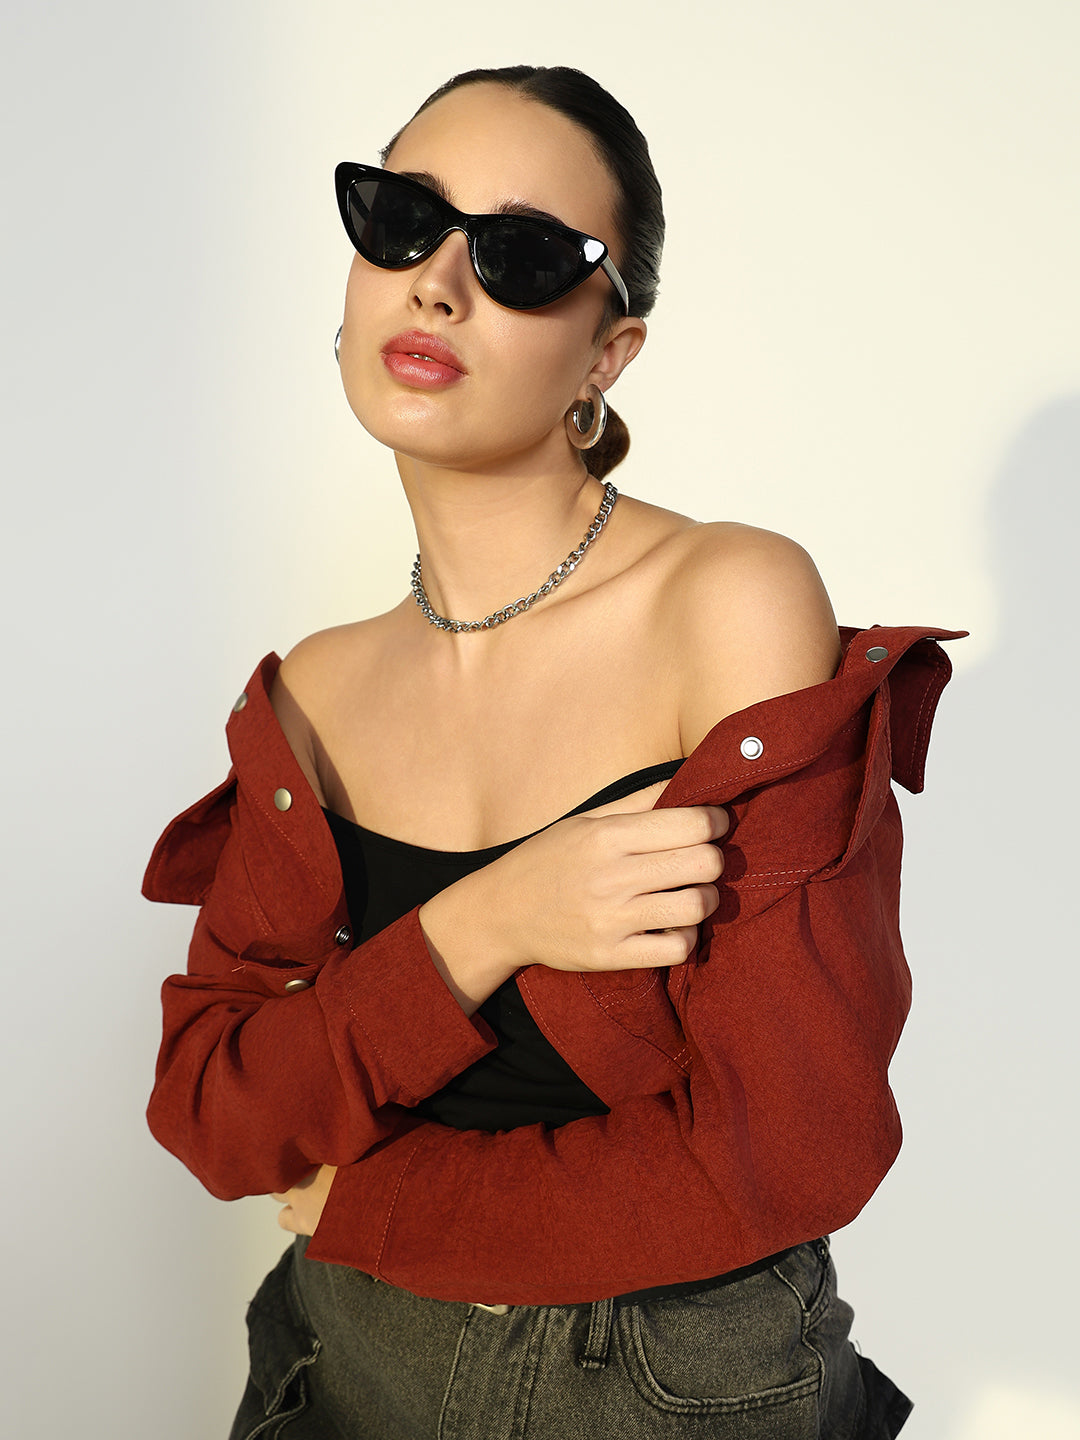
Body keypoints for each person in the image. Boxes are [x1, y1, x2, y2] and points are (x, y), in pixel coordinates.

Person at [143, 65, 961, 1438]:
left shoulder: (728, 601)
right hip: (334, 1367)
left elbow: (793, 1146)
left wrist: (375, 1203)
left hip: (660, 1383)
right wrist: (489, 921)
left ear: (606, 353)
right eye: (403, 220)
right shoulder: (315, 692)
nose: (436, 284)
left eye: (520, 256)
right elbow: (218, 1116)